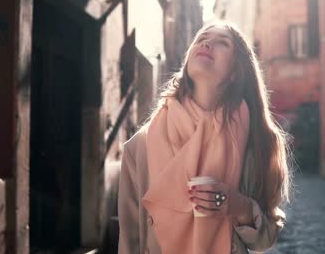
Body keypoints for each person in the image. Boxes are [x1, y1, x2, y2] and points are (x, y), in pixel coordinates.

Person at [118, 21, 291, 254]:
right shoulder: (139, 146)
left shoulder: (257, 139)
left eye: (222, 43)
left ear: (235, 72)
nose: (206, 42)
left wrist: (237, 205)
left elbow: (266, 238)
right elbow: (129, 240)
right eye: (201, 38)